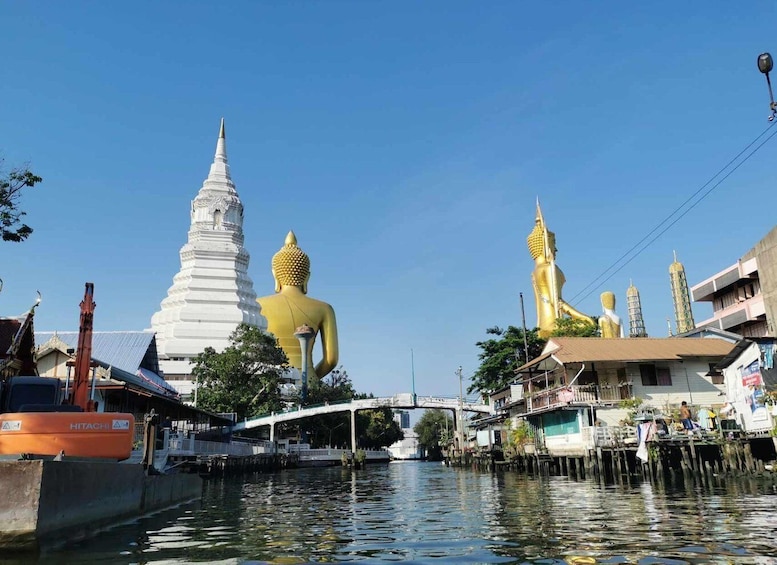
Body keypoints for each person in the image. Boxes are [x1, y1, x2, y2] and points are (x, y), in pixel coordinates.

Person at [257, 231, 339, 379]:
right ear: (307, 276)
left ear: (275, 275)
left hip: (269, 383)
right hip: (309, 382)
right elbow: (331, 360)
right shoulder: (325, 309)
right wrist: (312, 378)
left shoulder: (258, 305)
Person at [527, 200, 595, 338]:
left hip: (541, 327)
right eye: (553, 243)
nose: (556, 249)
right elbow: (557, 302)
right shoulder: (549, 268)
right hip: (554, 325)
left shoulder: (535, 272)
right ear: (545, 244)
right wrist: (583, 317)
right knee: (590, 325)